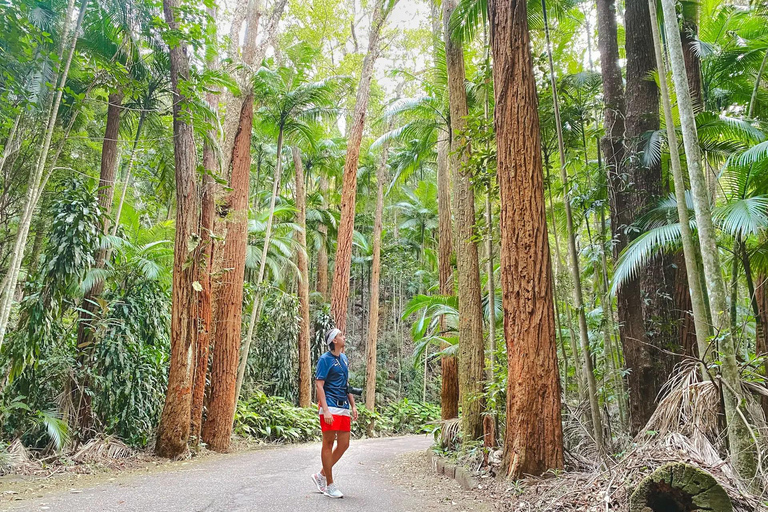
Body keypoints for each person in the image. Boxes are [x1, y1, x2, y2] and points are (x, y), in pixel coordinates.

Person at [311, 327, 358, 499]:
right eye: (340, 335)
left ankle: (320, 475)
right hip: (329, 405)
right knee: (328, 443)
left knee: (344, 444)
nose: (344, 337)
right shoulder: (325, 359)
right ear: (334, 341)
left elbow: (346, 384)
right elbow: (319, 385)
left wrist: (353, 405)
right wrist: (326, 410)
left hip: (343, 405)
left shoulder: (344, 359)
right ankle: (329, 485)